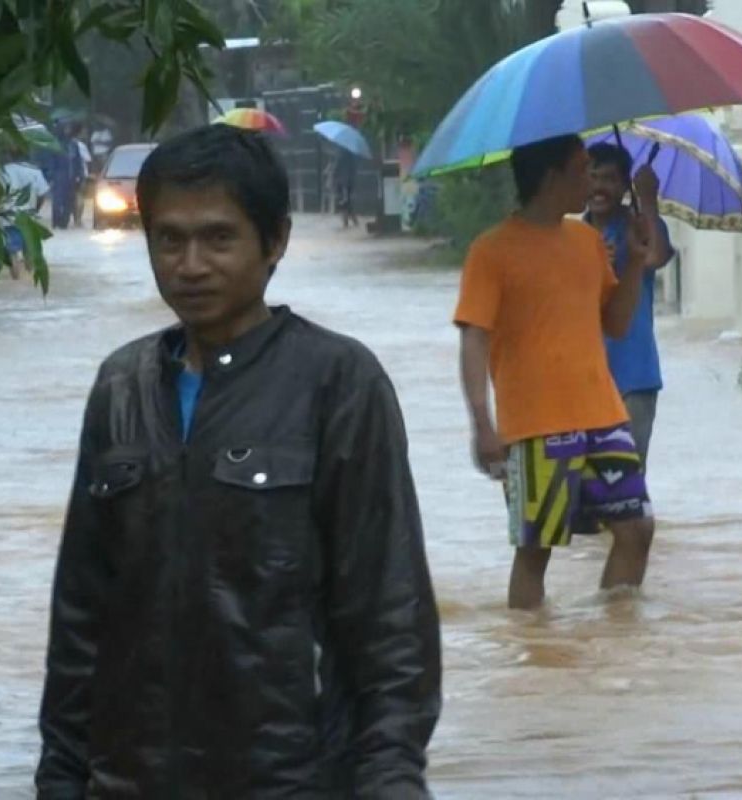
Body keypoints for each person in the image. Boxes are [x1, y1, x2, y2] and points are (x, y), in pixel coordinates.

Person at [36, 123, 442, 798]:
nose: (191, 264)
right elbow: (81, 616)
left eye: (218, 238)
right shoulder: (122, 386)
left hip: (293, 781)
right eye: (170, 238)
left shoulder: (338, 382)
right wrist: (59, 780)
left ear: (275, 240)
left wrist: (392, 779)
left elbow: (389, 617)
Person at [454, 134, 657, 610]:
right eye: (582, 168)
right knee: (535, 550)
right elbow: (474, 338)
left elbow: (617, 322)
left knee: (637, 530)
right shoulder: (491, 251)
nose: (591, 179)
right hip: (535, 426)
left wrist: (635, 263)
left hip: (603, 416)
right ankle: (535, 659)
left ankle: (611, 648)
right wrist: (482, 423)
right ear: (552, 175)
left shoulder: (589, 241)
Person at [586, 142, 675, 473]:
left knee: (627, 487)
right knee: (590, 489)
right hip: (585, 378)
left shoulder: (641, 227)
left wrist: (648, 200)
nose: (598, 187)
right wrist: (595, 265)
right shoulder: (574, 236)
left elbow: (655, 257)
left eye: (609, 179)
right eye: (592, 177)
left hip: (635, 375)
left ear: (625, 186)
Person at [0, 155, 49, 279]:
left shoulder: (2, 171)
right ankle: (30, 280)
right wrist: (35, 209)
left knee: (13, 251)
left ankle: (15, 279)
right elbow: (42, 194)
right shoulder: (35, 171)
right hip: (28, 218)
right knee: (30, 250)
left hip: (8, 217)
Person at [335, 147, 359, 229]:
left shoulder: (340, 156)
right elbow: (354, 169)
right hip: (349, 182)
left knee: (344, 202)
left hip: (342, 182)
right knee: (347, 201)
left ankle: (346, 221)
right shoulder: (351, 156)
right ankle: (354, 220)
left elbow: (336, 169)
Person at [72, 135, 92, 228]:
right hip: (81, 174)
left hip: (67, 175)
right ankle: (78, 220)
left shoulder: (64, 144)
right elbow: (88, 159)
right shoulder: (80, 145)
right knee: (80, 196)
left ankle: (74, 219)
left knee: (72, 197)